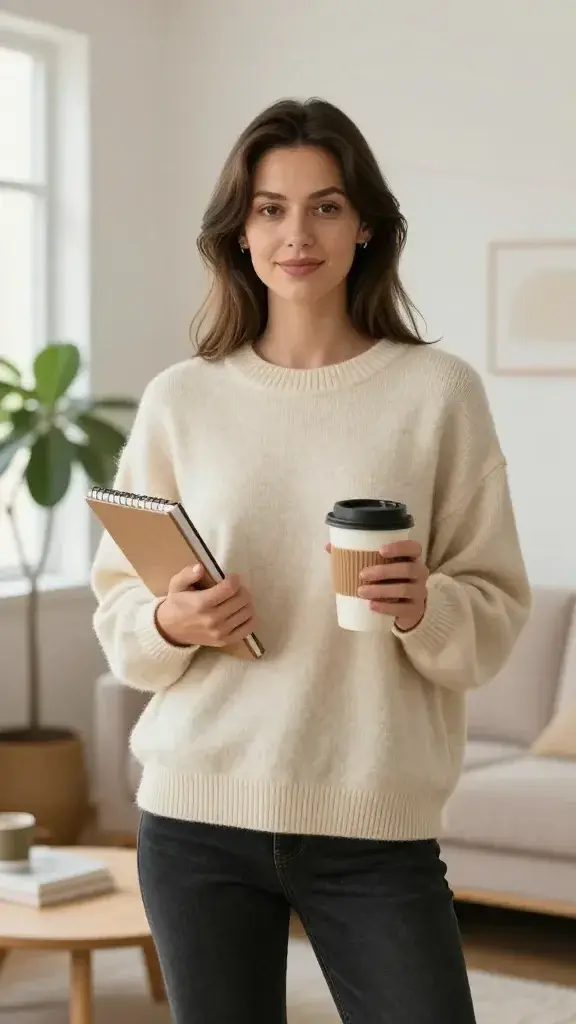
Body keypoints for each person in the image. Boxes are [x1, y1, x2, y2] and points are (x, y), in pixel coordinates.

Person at [91, 98, 532, 1023]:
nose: (298, 234)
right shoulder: (182, 400)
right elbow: (121, 616)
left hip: (374, 823)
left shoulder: (437, 394)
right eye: (270, 208)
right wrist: (172, 620)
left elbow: (492, 615)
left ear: (365, 225)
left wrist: (425, 606)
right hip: (196, 816)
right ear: (238, 232)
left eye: (326, 206)